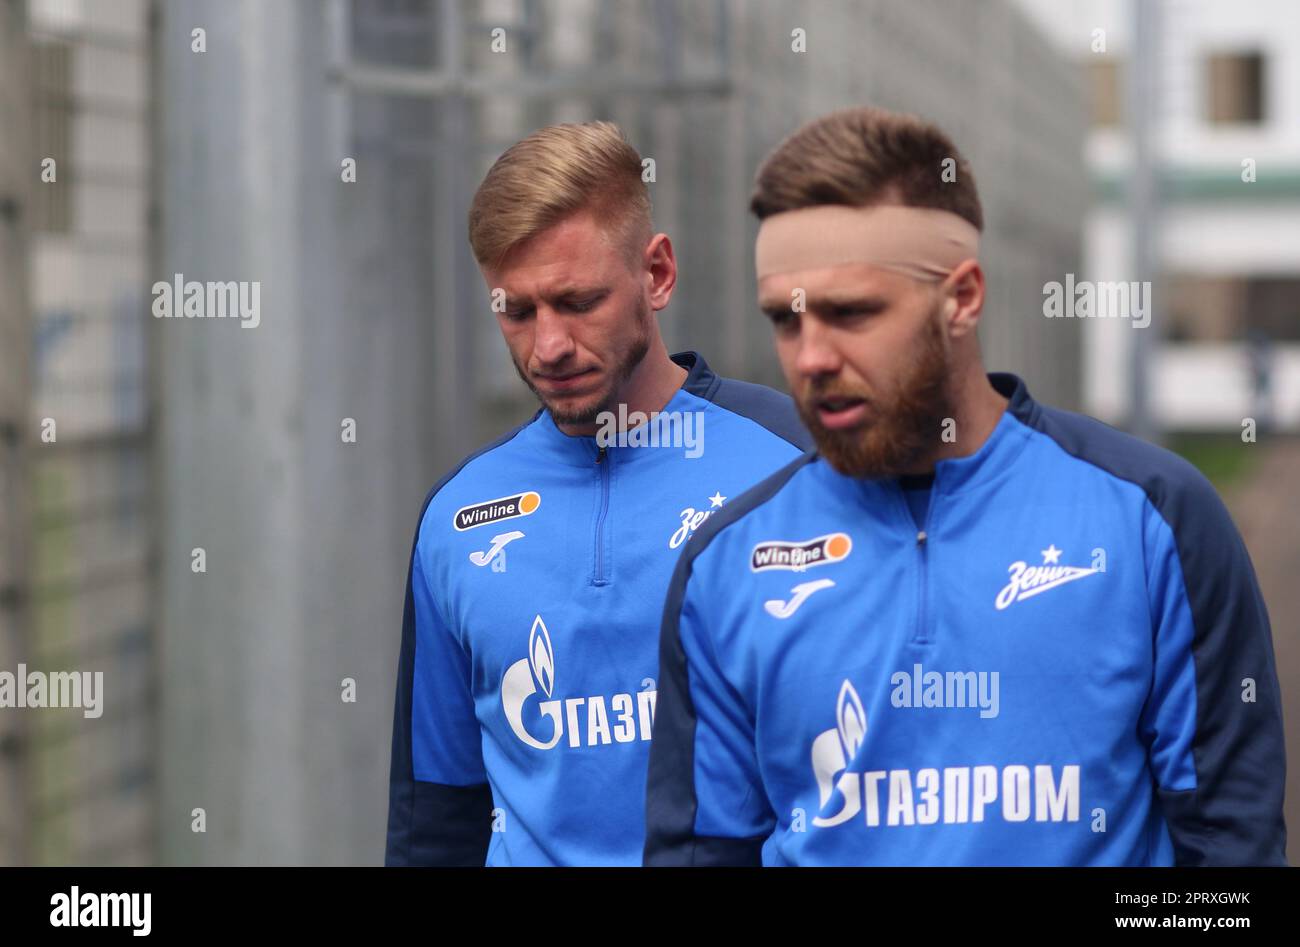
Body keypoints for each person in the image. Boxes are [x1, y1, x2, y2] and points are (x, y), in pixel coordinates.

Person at [644, 106, 1287, 866]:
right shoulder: (725, 563)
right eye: (786, 319)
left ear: (963, 297)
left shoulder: (1152, 516)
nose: (811, 356)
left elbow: (1229, 854)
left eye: (852, 312)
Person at [385, 121, 810, 865]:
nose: (547, 346)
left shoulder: (796, 466)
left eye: (578, 302)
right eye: (516, 312)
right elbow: (436, 815)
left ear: (657, 274)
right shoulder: (458, 515)